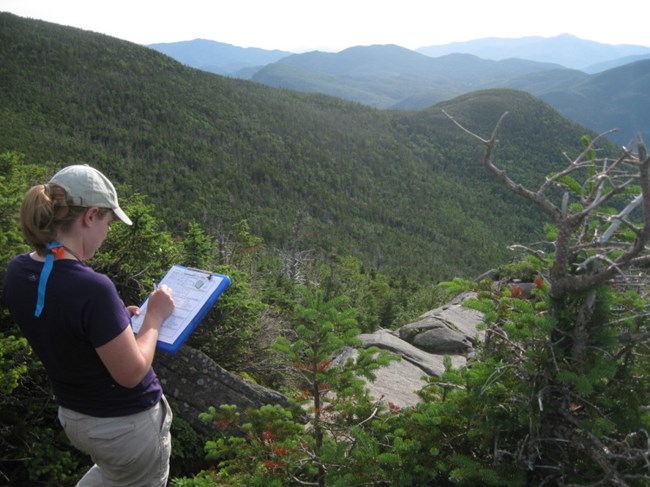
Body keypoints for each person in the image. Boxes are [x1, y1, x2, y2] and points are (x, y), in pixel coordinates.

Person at [3, 164, 175, 486]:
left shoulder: (18, 271)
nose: (108, 233)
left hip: (76, 417)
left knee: (114, 476)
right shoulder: (92, 287)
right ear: (90, 216)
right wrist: (155, 317)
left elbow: (60, 324)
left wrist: (113, 320)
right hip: (124, 427)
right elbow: (132, 373)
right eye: (108, 222)